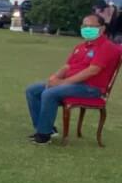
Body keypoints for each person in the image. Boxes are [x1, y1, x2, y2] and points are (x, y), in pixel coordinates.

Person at [25, 14, 121, 145]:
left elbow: (92, 70)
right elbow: (67, 66)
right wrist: (54, 78)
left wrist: (62, 83)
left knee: (49, 93)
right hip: (73, 84)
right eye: (84, 26)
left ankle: (43, 135)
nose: (87, 29)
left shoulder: (107, 47)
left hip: (91, 88)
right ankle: (46, 128)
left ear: (102, 28)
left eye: (92, 26)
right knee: (33, 90)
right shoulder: (81, 47)